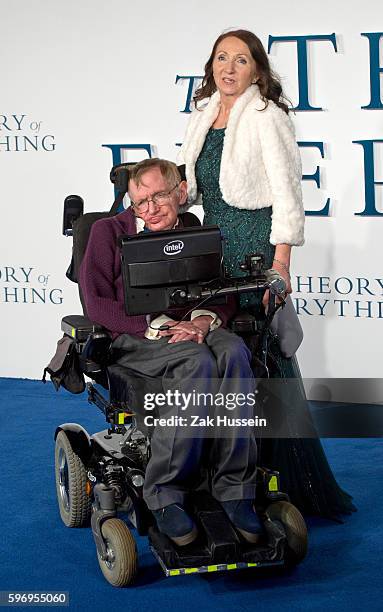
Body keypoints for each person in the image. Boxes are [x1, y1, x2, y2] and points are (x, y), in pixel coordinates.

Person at [178, 30, 356, 519]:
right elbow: (196, 187)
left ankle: (293, 482)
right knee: (223, 357)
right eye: (221, 58)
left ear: (257, 70)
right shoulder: (203, 115)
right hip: (212, 247)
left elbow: (287, 194)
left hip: (255, 246)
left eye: (240, 60)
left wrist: (281, 264)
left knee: (266, 355)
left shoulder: (267, 116)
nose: (229, 68)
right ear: (210, 64)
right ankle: (227, 474)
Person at [80, 158, 264, 546]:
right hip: (136, 335)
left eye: (159, 195)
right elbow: (95, 301)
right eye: (139, 200)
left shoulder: (194, 231)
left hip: (192, 327)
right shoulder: (105, 232)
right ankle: (164, 492)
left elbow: (219, 290)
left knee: (232, 350)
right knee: (194, 360)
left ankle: (235, 488)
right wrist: (156, 326)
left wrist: (202, 320)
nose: (150, 208)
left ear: (180, 192)